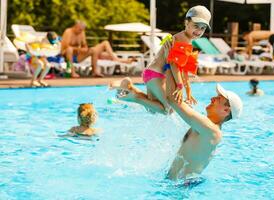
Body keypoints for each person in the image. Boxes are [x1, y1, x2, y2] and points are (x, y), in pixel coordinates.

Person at [114, 71, 243, 181]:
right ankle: (133, 94)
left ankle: (134, 95)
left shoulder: (212, 131)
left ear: (226, 111)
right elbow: (172, 105)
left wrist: (171, 68)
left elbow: (172, 99)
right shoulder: (205, 125)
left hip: (182, 188)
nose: (212, 99)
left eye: (218, 99)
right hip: (175, 183)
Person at [110, 5, 211, 114]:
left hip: (151, 73)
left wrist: (188, 92)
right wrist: (179, 86)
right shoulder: (183, 40)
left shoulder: (186, 39)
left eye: (203, 28)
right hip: (156, 75)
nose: (199, 31)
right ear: (186, 23)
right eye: (196, 26)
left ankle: (129, 87)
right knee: (168, 109)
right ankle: (133, 96)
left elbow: (184, 69)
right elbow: (173, 64)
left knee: (152, 109)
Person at [61, 21, 134, 78]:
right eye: (79, 29)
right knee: (69, 49)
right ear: (75, 26)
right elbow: (65, 46)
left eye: (82, 30)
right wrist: (79, 49)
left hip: (78, 56)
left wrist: (84, 49)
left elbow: (84, 45)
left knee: (94, 49)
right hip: (67, 55)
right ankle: (73, 72)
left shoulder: (82, 32)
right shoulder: (68, 32)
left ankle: (95, 71)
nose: (80, 31)